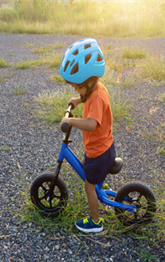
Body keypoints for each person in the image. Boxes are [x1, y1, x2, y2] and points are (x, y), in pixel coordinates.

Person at [60, 38, 116, 233]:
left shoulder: (97, 96)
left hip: (100, 152)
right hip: (100, 148)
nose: (75, 89)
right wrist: (78, 100)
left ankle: (95, 223)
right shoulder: (96, 89)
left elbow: (92, 124)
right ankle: (98, 181)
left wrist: (71, 121)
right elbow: (88, 96)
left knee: (89, 187)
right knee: (86, 165)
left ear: (89, 80)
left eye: (77, 86)